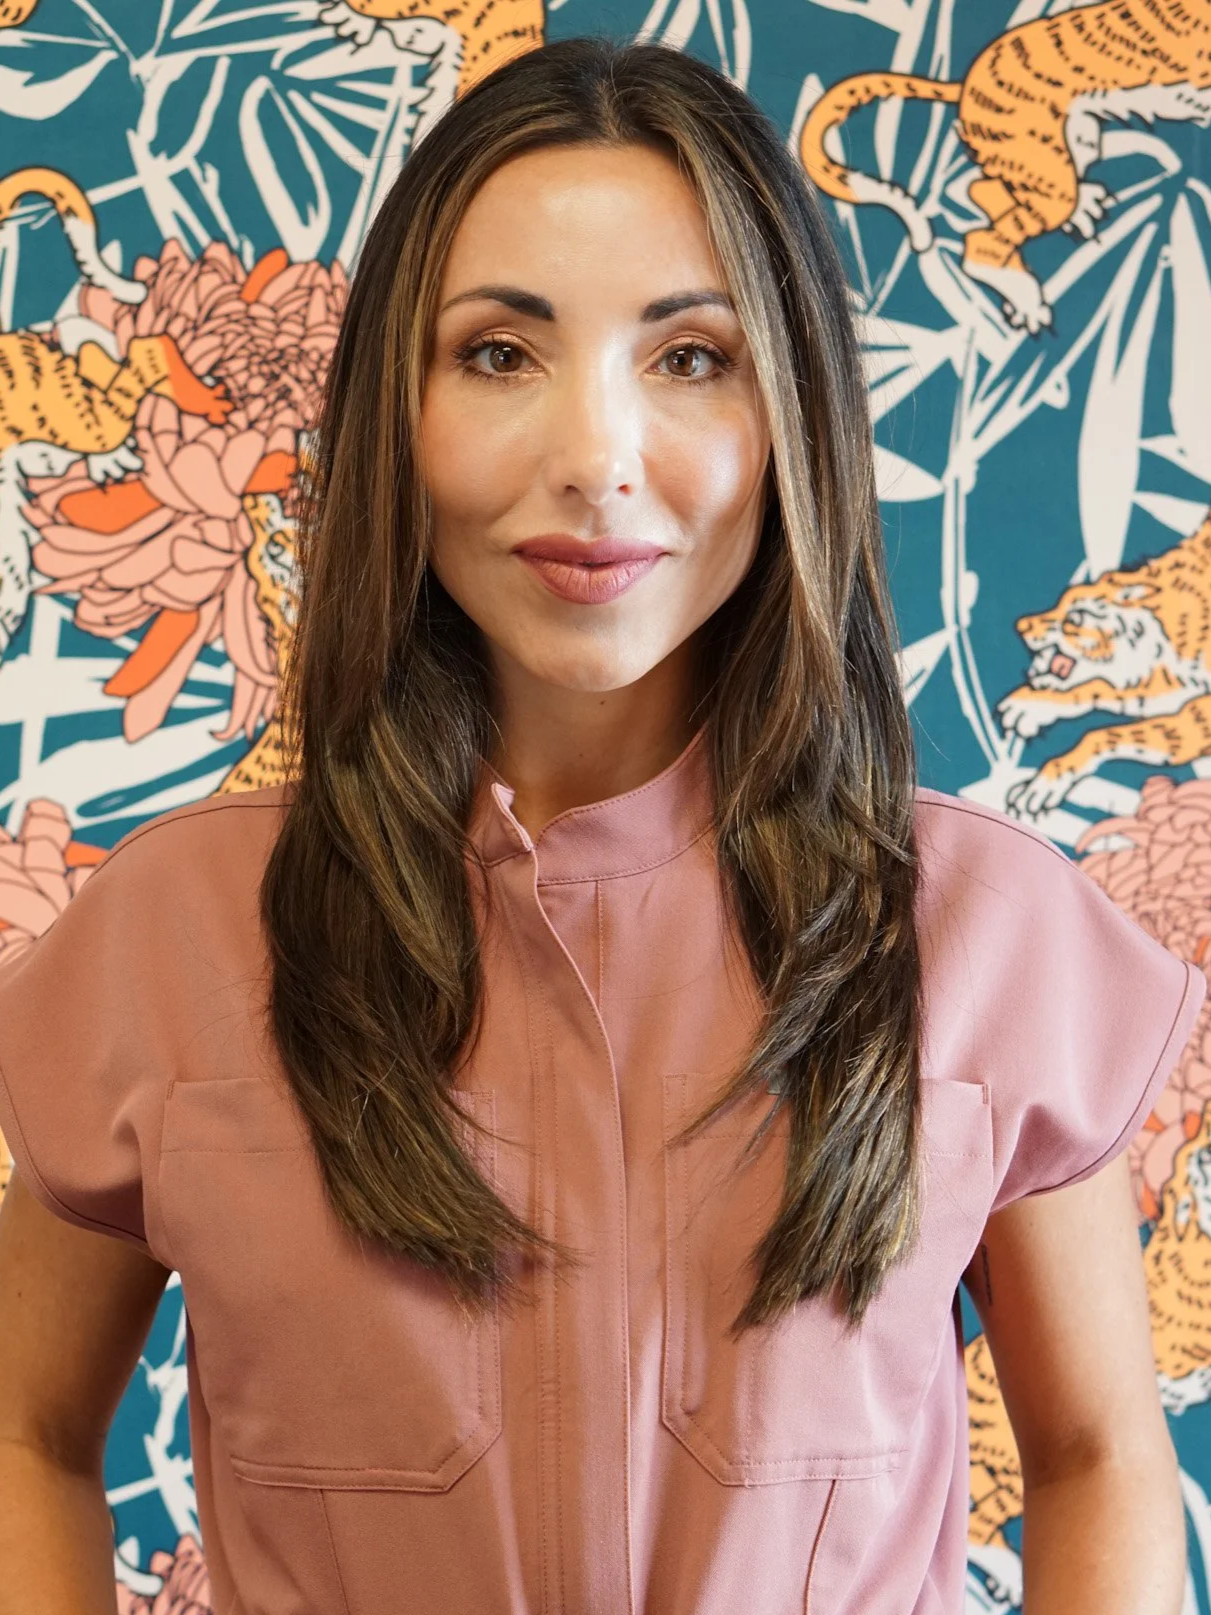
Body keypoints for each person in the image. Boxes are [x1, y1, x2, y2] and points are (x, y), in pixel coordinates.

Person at [0, 33, 1203, 1615]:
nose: (593, 460)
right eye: (501, 353)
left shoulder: (983, 932)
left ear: (793, 422)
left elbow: (1102, 1450)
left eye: (689, 357)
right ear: (398, 414)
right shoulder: (171, 935)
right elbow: (25, 1428)